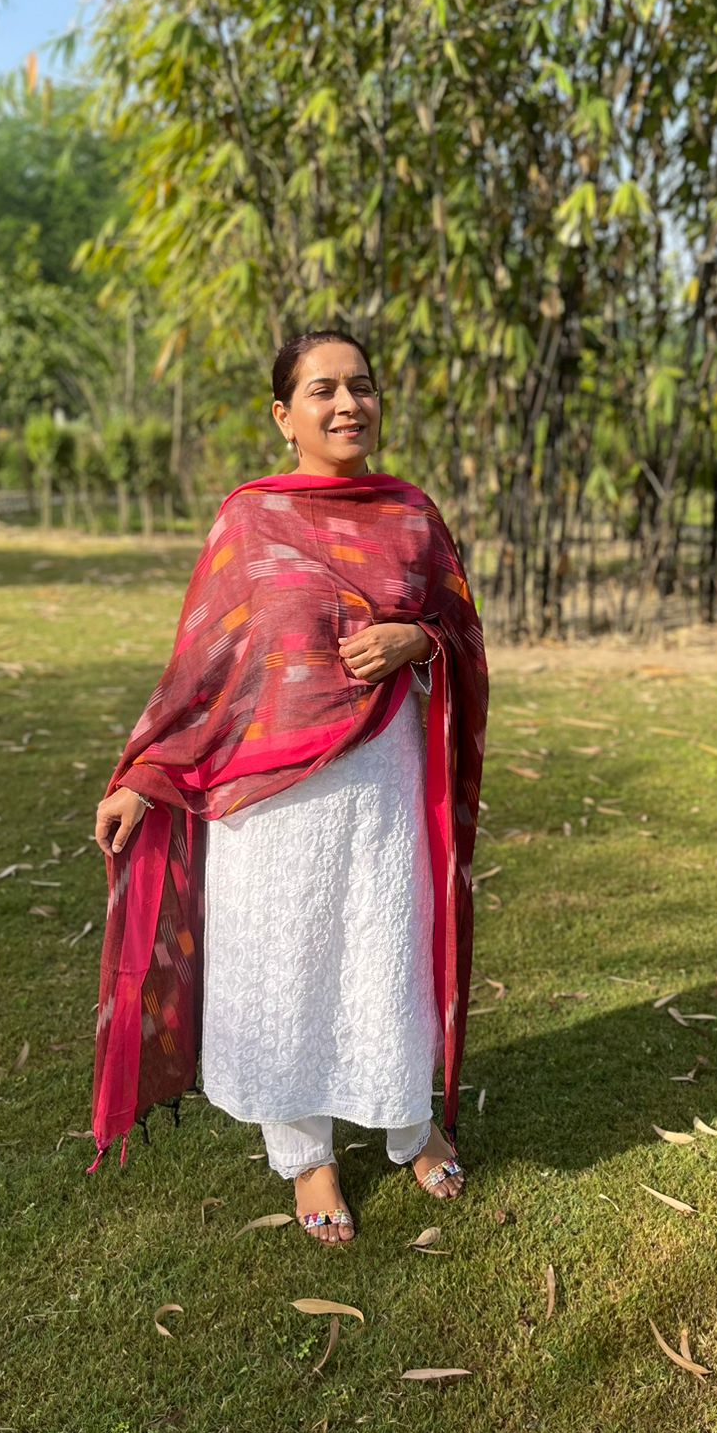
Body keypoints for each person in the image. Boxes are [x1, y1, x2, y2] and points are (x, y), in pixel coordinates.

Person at [89, 330, 489, 1247]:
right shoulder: (250, 520)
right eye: (322, 391)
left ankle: (405, 1122)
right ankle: (304, 1153)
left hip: (383, 781)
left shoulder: (413, 517)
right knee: (285, 962)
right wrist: (147, 778)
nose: (347, 405)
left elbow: (459, 631)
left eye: (361, 386)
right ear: (284, 416)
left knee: (385, 948)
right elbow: (205, 670)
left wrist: (415, 641)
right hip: (270, 801)